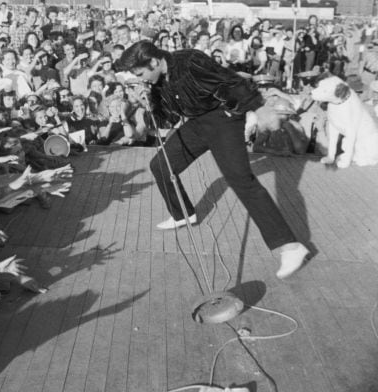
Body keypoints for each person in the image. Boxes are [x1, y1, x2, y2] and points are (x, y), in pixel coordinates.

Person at [118, 41, 310, 279]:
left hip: (223, 120)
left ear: (154, 62)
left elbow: (233, 81)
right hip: (197, 123)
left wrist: (260, 109)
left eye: (141, 73)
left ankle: (291, 246)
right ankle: (183, 214)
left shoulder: (190, 61)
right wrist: (148, 102)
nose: (142, 79)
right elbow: (166, 116)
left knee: (241, 180)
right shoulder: (156, 81)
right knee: (160, 165)